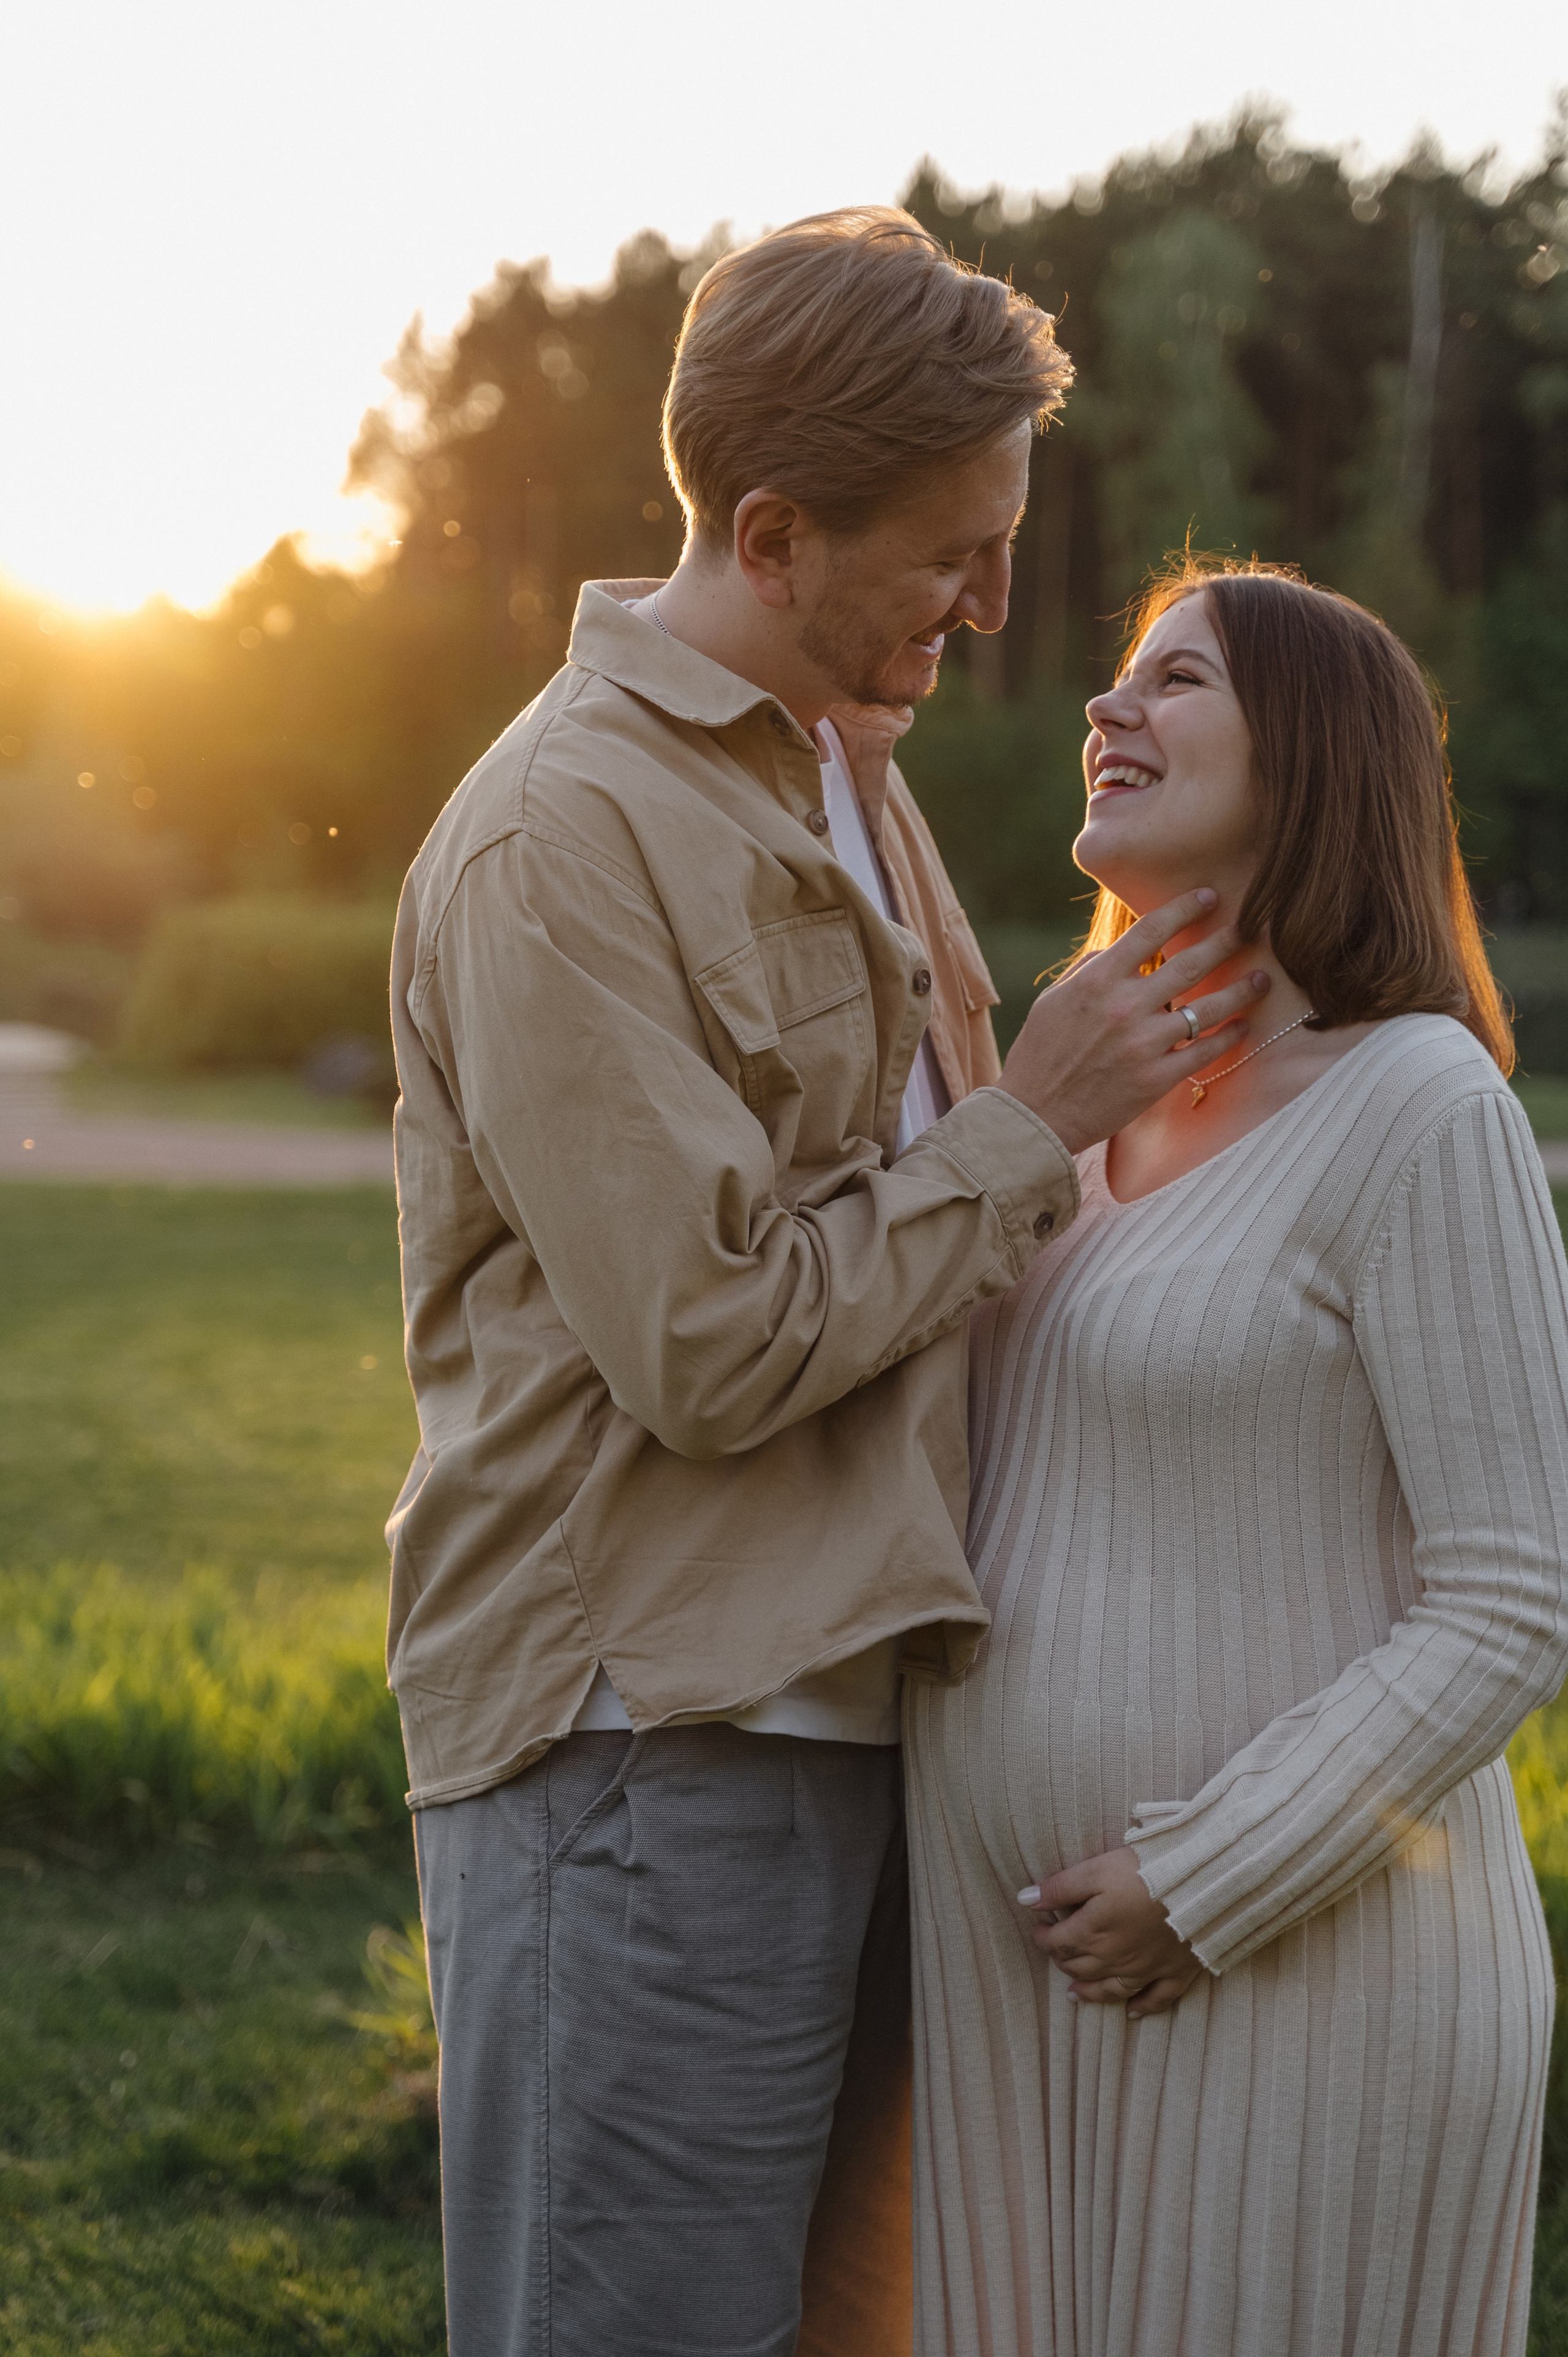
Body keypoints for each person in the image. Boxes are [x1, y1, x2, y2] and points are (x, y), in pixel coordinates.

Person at [385, 211, 1267, 2357]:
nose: (989, 601)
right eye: (950, 554)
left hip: (859, 1720)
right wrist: (1027, 1118)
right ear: (772, 532)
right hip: (647, 1745)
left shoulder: (844, 770)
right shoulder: (559, 839)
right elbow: (708, 1343)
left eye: (1002, 540)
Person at [905, 559, 1568, 2357]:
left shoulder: (1420, 1106)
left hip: (1302, 1975)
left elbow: (1515, 1594)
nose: (1107, 713)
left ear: (1317, 758)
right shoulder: (1066, 1106)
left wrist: (1211, 1882)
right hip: (1019, 1995)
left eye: (1175, 681)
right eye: (1119, 684)